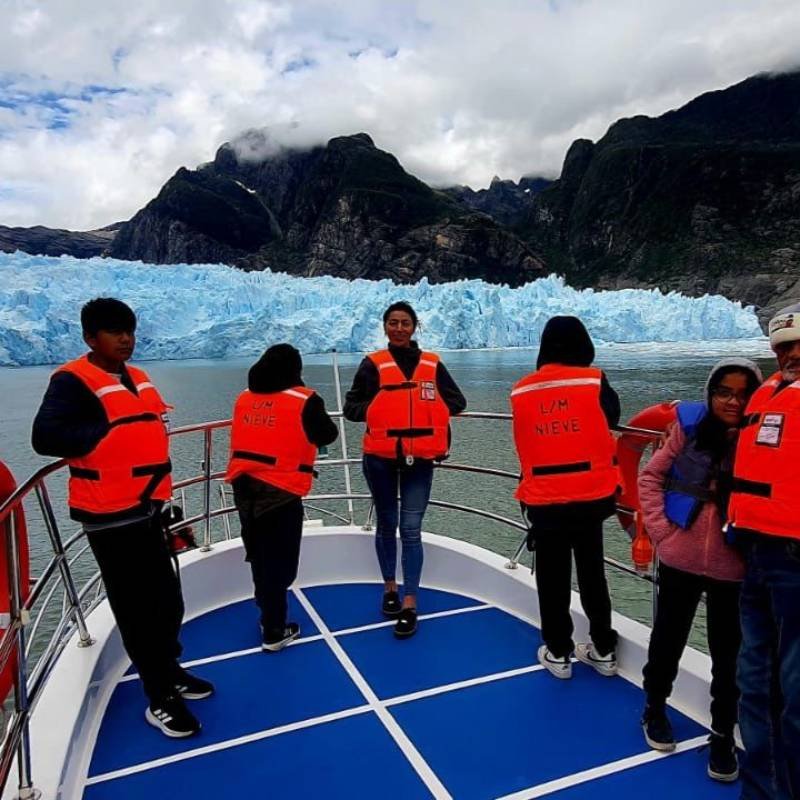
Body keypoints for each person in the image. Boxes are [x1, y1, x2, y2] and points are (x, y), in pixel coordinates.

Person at [31, 298, 212, 739]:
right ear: (90, 338)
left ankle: (170, 671)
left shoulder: (135, 376)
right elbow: (44, 436)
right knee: (138, 609)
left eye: (129, 330)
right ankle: (159, 697)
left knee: (167, 601)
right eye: (114, 332)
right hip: (110, 516)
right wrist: (103, 433)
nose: (125, 339)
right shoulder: (73, 381)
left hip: (149, 507)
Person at [638, 358, 763, 783]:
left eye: (743, 393)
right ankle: (654, 708)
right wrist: (660, 533)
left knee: (729, 658)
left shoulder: (763, 438)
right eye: (724, 392)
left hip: (734, 566)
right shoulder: (688, 431)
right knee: (667, 640)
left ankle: (722, 735)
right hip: (680, 558)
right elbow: (650, 478)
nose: (733, 401)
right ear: (710, 394)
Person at [344, 301, 466, 638]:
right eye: (393, 323)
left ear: (415, 327)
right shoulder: (372, 365)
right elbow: (351, 408)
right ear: (385, 327)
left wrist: (428, 409)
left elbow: (457, 401)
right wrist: (382, 406)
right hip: (381, 458)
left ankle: (410, 600)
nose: (399, 328)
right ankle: (389, 589)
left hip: (420, 459)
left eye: (405, 323)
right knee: (387, 523)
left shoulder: (432, 364)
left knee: (411, 529)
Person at [510, 316, 620, 679]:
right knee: (592, 574)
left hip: (544, 499)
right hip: (590, 496)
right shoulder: (594, 380)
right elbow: (612, 417)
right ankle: (603, 649)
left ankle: (558, 652)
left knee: (553, 580)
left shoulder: (522, 390)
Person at [728, 302, 800, 800]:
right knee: (754, 682)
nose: (792, 355)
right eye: (783, 348)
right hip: (755, 554)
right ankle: (762, 789)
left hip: (795, 561)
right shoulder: (767, 395)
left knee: (796, 694)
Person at [226, 344, 338, 651]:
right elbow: (327, 434)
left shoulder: (245, 397)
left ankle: (267, 613)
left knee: (259, 555)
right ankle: (275, 630)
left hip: (244, 486)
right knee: (281, 562)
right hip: (280, 490)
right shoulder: (305, 400)